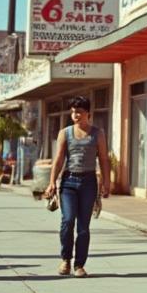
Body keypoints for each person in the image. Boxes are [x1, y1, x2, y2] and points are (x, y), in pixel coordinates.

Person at [44, 96, 111, 277]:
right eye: (73, 111)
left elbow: (104, 159)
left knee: (83, 226)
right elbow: (58, 160)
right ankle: (66, 259)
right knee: (67, 221)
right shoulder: (65, 133)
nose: (75, 115)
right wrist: (51, 182)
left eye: (79, 112)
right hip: (68, 182)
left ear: (88, 113)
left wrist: (106, 182)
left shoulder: (98, 134)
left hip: (89, 182)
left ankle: (79, 264)